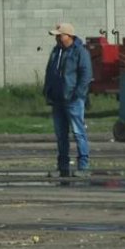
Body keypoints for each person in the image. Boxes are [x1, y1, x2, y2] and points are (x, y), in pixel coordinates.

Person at [43, 22, 93, 178]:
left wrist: (77, 94)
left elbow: (86, 75)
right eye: (56, 36)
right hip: (57, 99)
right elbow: (50, 71)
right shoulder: (56, 51)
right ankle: (62, 167)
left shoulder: (80, 52)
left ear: (69, 36)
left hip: (73, 99)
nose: (57, 39)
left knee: (78, 133)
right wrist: (47, 90)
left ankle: (83, 167)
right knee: (61, 135)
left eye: (60, 35)